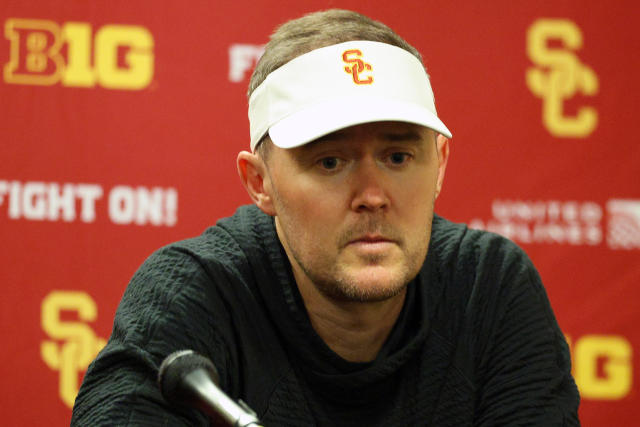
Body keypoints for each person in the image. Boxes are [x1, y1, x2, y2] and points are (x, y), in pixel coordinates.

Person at [72, 9, 580, 426]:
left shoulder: (488, 288)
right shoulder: (194, 290)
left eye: (397, 157)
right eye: (330, 162)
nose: (372, 196)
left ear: (440, 164)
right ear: (260, 183)